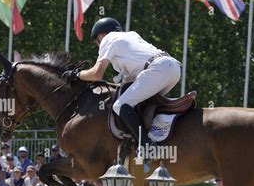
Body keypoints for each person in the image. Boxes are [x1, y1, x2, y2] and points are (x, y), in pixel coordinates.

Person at [62, 17, 181, 162]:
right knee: (138, 103)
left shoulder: (108, 39)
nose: (97, 44)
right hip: (173, 69)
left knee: (120, 105)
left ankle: (148, 147)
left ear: (101, 35)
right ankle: (150, 138)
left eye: (96, 40)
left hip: (157, 70)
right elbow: (129, 80)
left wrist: (76, 74)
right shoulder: (130, 36)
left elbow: (96, 74)